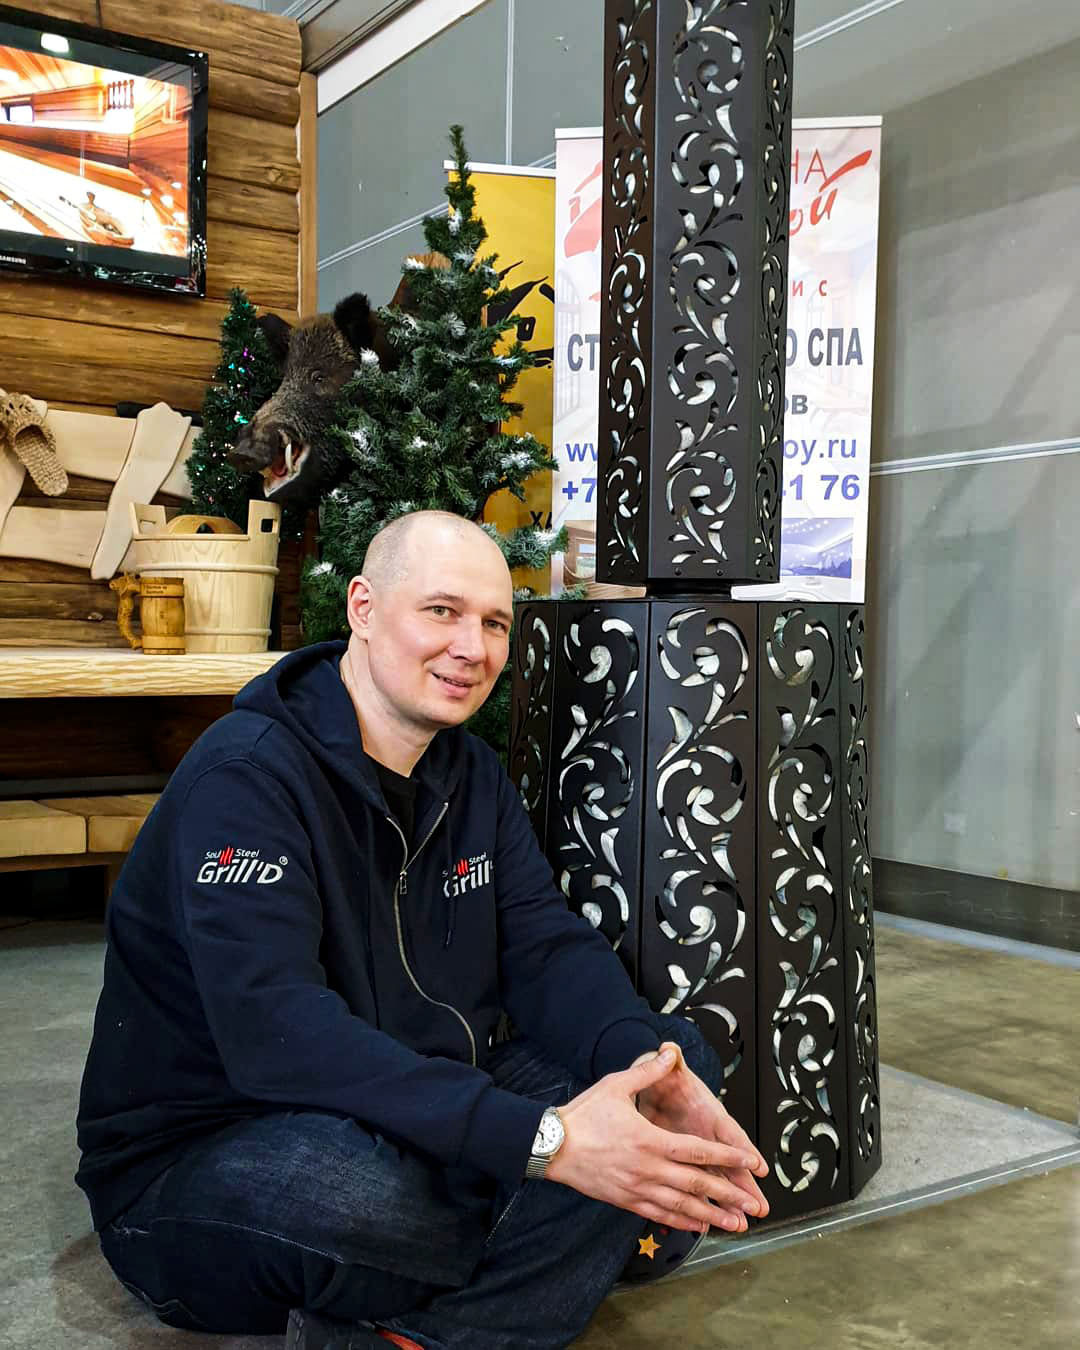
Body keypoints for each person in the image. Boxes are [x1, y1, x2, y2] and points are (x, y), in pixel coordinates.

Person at [76, 510, 769, 1350]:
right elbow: (277, 1037)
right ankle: (560, 1240)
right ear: (363, 608)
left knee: (667, 1062)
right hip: (218, 1152)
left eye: (495, 623)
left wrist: (636, 1071)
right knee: (370, 1198)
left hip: (418, 1106)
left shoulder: (471, 773)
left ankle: (425, 1330)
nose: (471, 648)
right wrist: (546, 1143)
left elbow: (545, 946)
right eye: (442, 611)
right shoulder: (247, 775)